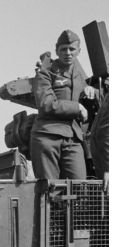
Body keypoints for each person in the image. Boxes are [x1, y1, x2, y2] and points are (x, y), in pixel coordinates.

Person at [30, 29, 97, 180]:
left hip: (73, 139)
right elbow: (46, 103)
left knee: (80, 188)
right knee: (50, 191)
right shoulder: (45, 73)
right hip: (47, 137)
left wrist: (91, 89)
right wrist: (77, 107)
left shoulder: (79, 75)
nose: (68, 53)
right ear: (56, 50)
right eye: (63, 49)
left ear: (79, 51)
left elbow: (95, 96)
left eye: (72, 49)